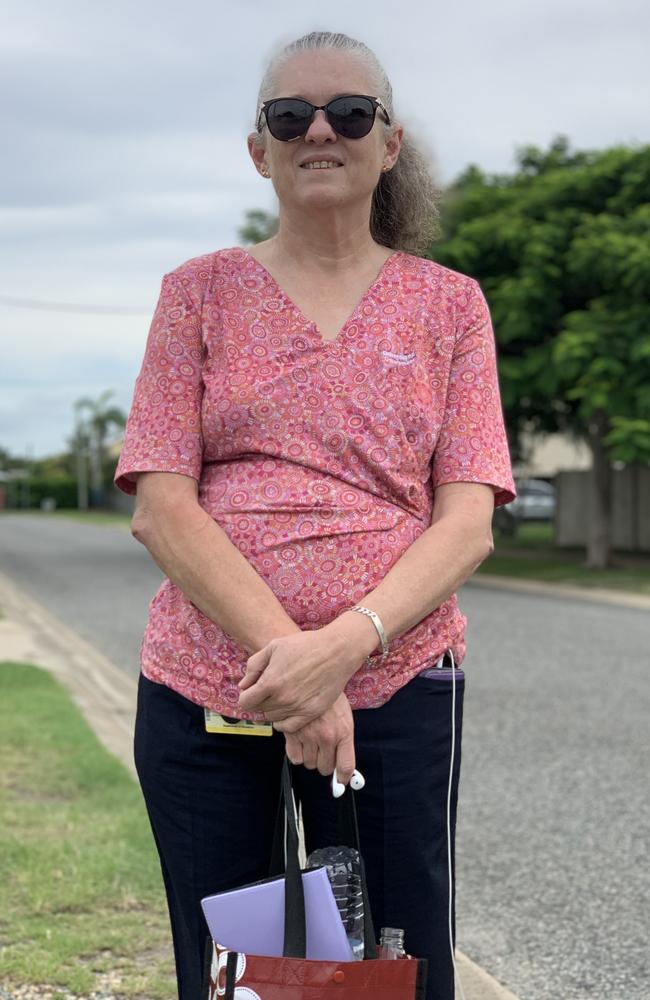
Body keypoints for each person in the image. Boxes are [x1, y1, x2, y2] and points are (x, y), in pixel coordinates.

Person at [114, 29, 516, 1000]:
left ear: (388, 142)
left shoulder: (447, 307)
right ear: (260, 149)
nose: (319, 131)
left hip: (396, 688)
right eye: (289, 116)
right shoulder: (197, 295)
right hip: (215, 691)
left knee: (389, 966)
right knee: (244, 978)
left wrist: (339, 648)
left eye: (349, 112)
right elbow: (161, 504)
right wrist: (293, 670)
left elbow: (464, 520)